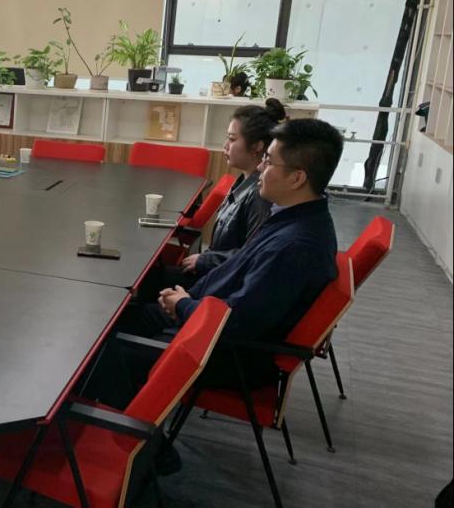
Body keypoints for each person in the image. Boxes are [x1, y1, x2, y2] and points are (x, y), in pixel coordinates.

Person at [89, 118, 344, 408]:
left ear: (297, 178)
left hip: (222, 352)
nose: (260, 168)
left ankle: (126, 428)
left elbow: (238, 323)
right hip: (202, 318)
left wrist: (184, 306)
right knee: (104, 319)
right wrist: (187, 302)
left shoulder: (295, 246)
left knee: (94, 350)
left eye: (269, 161)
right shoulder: (294, 217)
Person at [177, 99, 284, 278]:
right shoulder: (243, 181)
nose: (225, 145)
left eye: (232, 139)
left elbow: (253, 256)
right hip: (215, 272)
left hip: (221, 279)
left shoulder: (260, 195)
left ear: (257, 146)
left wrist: (207, 260)